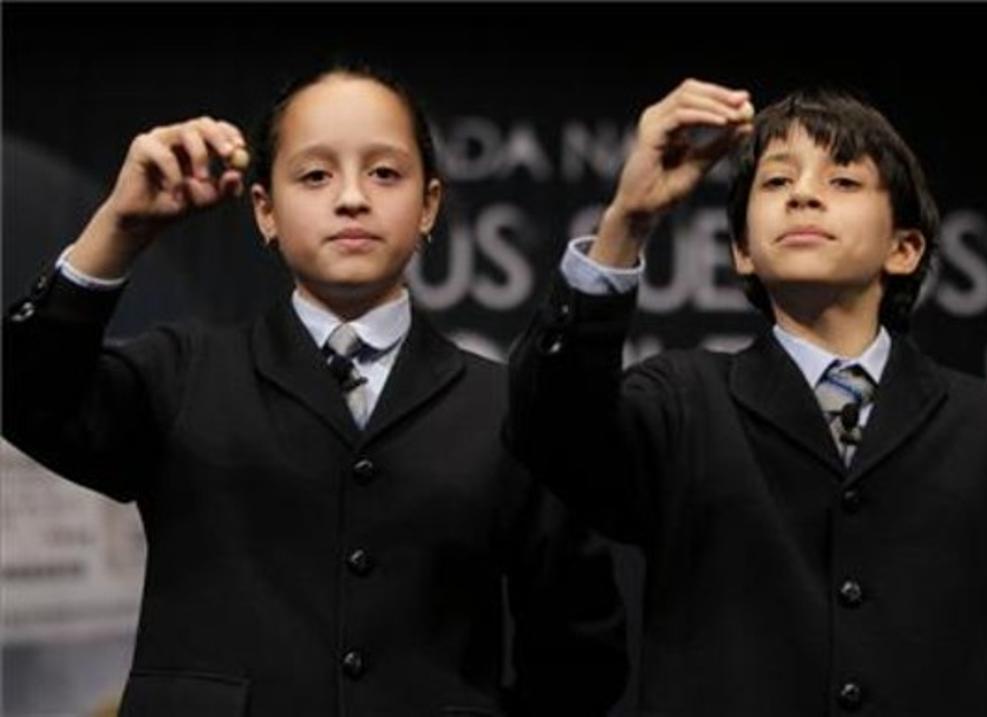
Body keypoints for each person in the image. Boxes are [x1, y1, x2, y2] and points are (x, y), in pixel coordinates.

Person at [3, 64, 627, 717]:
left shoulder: (509, 407)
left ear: (430, 207)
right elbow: (25, 396)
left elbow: (580, 651)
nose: (352, 197)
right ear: (264, 210)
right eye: (315, 175)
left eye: (385, 173)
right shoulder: (184, 373)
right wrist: (119, 230)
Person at [506, 79, 987, 715]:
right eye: (776, 183)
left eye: (843, 181)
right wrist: (626, 221)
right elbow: (549, 431)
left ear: (904, 250)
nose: (802, 194)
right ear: (743, 250)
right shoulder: (681, 403)